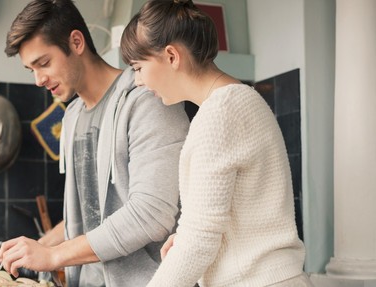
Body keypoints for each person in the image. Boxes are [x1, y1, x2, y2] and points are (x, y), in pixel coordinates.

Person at [120, 1, 314, 286]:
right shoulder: (240, 99)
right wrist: (187, 236)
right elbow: (237, 214)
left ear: (172, 56)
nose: (137, 81)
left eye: (138, 67)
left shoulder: (219, 114)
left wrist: (190, 240)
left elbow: (200, 239)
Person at [0, 1, 190, 286]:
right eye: (31, 70)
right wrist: (35, 248)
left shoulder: (148, 100)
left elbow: (151, 215)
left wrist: (53, 256)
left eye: (44, 63)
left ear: (76, 42)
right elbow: (90, 217)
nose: (38, 80)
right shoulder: (73, 116)